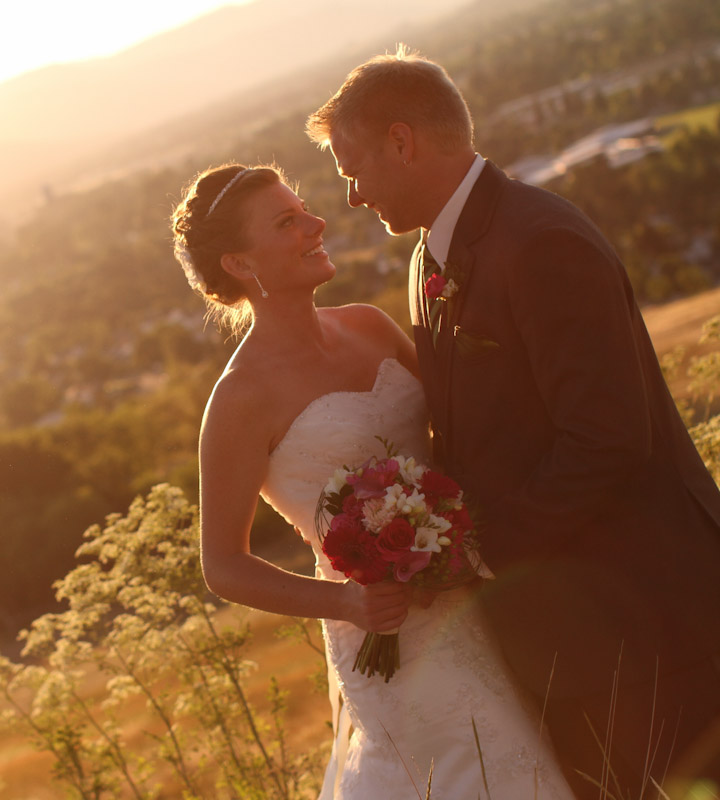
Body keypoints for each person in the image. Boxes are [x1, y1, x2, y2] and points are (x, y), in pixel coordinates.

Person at [307, 46, 720, 799]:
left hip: (652, 620)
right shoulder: (427, 259)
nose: (352, 193)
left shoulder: (540, 242)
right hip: (567, 636)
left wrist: (477, 550)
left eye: (351, 167)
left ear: (402, 141)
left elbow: (608, 439)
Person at [171, 162, 575, 798]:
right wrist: (347, 602)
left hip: (480, 592)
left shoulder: (368, 324)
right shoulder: (238, 401)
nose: (316, 222)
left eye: (303, 208)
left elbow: (460, 430)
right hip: (390, 634)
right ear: (241, 265)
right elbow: (222, 564)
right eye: (287, 222)